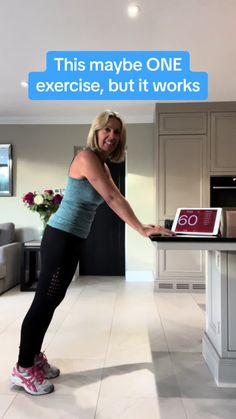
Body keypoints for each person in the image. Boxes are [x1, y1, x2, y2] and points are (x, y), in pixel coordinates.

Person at [10, 110, 174, 396]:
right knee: (44, 302)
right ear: (96, 132)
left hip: (72, 239)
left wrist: (143, 224)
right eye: (107, 130)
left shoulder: (102, 164)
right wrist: (140, 229)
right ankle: (23, 368)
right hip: (60, 237)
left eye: (117, 132)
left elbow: (115, 196)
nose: (112, 136)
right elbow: (112, 198)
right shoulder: (86, 158)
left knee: (52, 300)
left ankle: (33, 357)